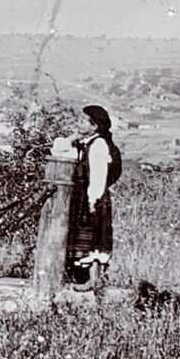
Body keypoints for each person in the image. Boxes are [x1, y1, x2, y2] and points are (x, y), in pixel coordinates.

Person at [57, 104, 121, 290]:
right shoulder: (85, 143)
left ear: (94, 126)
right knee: (86, 237)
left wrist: (93, 201)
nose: (77, 122)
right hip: (84, 197)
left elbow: (98, 176)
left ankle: (93, 280)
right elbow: (58, 150)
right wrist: (73, 137)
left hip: (93, 197)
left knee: (94, 237)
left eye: (82, 120)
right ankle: (85, 279)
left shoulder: (98, 145)